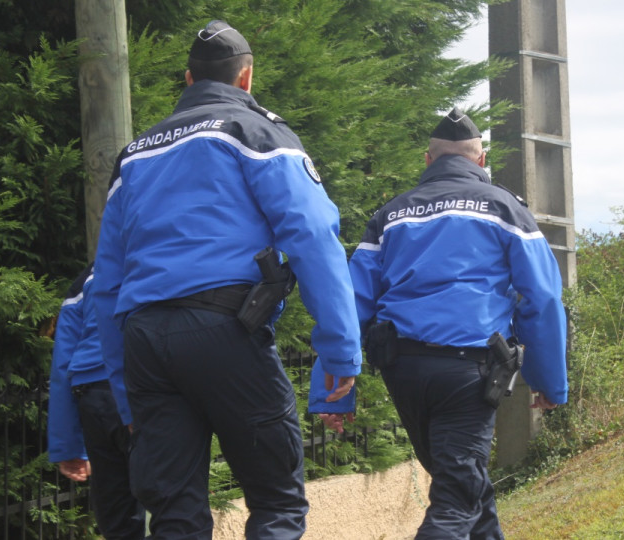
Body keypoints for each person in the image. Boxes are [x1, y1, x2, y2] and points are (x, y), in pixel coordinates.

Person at [90, 20, 362, 539]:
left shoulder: (134, 157)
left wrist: (126, 395)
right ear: (246, 79)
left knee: (173, 515)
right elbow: (312, 237)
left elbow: (106, 286)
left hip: (144, 341)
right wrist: (341, 352)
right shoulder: (258, 132)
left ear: (188, 80)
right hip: (225, 330)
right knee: (277, 501)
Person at [324, 108, 569, 539]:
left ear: (428, 159)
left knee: (465, 483)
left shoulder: (390, 216)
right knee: (456, 498)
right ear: (481, 159)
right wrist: (548, 379)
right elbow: (542, 298)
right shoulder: (505, 209)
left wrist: (329, 393)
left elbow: (349, 304)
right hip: (467, 373)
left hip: (405, 371)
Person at [47, 263, 145, 539]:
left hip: (94, 395)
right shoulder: (165, 250)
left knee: (117, 518)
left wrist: (68, 445)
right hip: (143, 388)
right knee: (170, 507)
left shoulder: (88, 277)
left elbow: (63, 363)